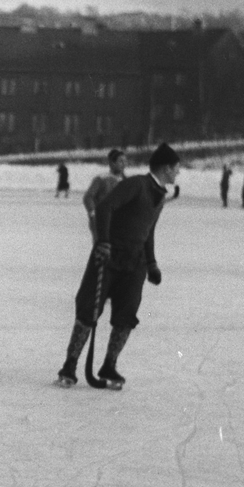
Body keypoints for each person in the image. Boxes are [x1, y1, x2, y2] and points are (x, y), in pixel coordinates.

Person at [57, 142, 180, 389]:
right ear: (166, 168)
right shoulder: (136, 184)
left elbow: (148, 230)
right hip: (109, 255)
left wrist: (152, 263)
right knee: (89, 309)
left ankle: (109, 365)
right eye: (176, 168)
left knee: (127, 314)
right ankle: (70, 365)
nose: (178, 173)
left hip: (135, 263)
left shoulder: (161, 196)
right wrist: (102, 241)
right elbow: (105, 206)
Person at [82, 149, 126, 237]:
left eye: (125, 161)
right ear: (112, 163)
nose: (124, 164)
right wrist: (93, 213)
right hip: (103, 222)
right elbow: (88, 197)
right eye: (121, 161)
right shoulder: (101, 179)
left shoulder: (126, 181)